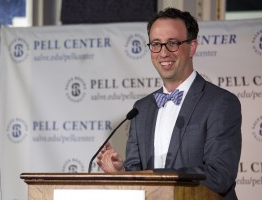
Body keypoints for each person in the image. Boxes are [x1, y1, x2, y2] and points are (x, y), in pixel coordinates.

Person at [97, 7, 242, 200]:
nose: (163, 53)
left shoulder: (221, 102)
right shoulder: (141, 108)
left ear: (192, 47)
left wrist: (155, 177)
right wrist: (120, 173)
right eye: (156, 44)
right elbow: (136, 178)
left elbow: (220, 175)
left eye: (172, 43)